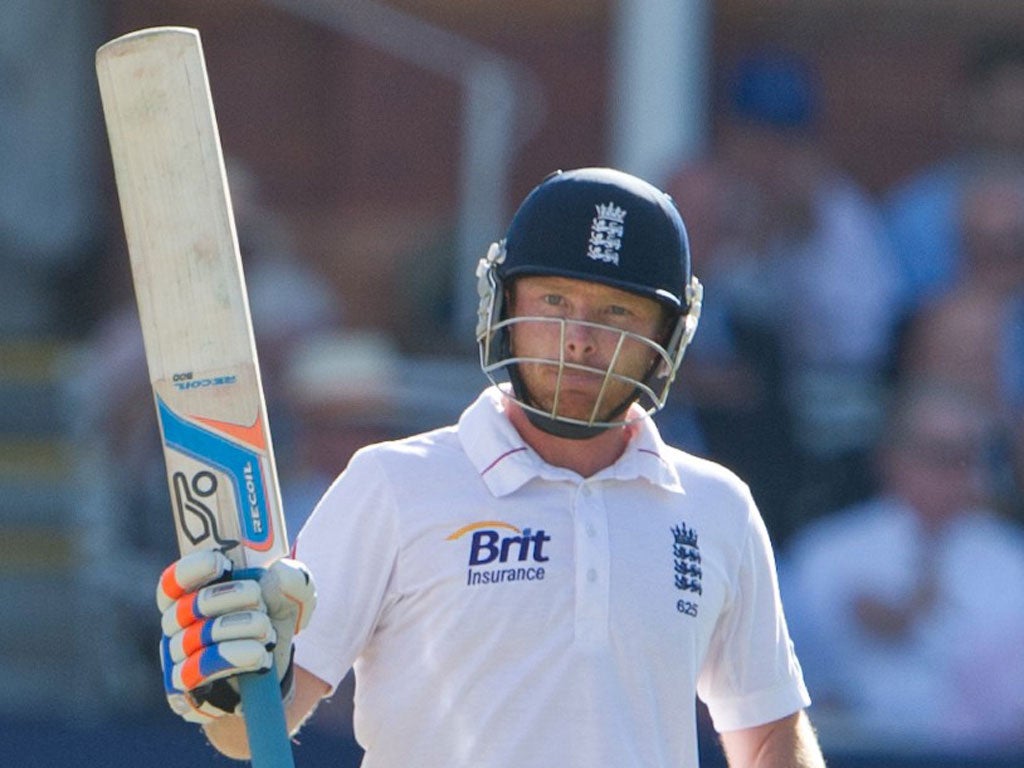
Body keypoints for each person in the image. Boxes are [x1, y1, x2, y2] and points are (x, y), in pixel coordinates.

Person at [155, 168, 826, 767]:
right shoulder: (393, 485)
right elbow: (252, 728)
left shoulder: (716, 508)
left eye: (617, 312)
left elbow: (768, 733)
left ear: (667, 339)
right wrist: (229, 686)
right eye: (554, 302)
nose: (579, 339)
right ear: (505, 306)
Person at [780, 379, 1024, 752]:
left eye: (966, 454)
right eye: (937, 453)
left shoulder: (1012, 561)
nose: (954, 471)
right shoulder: (825, 554)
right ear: (890, 456)